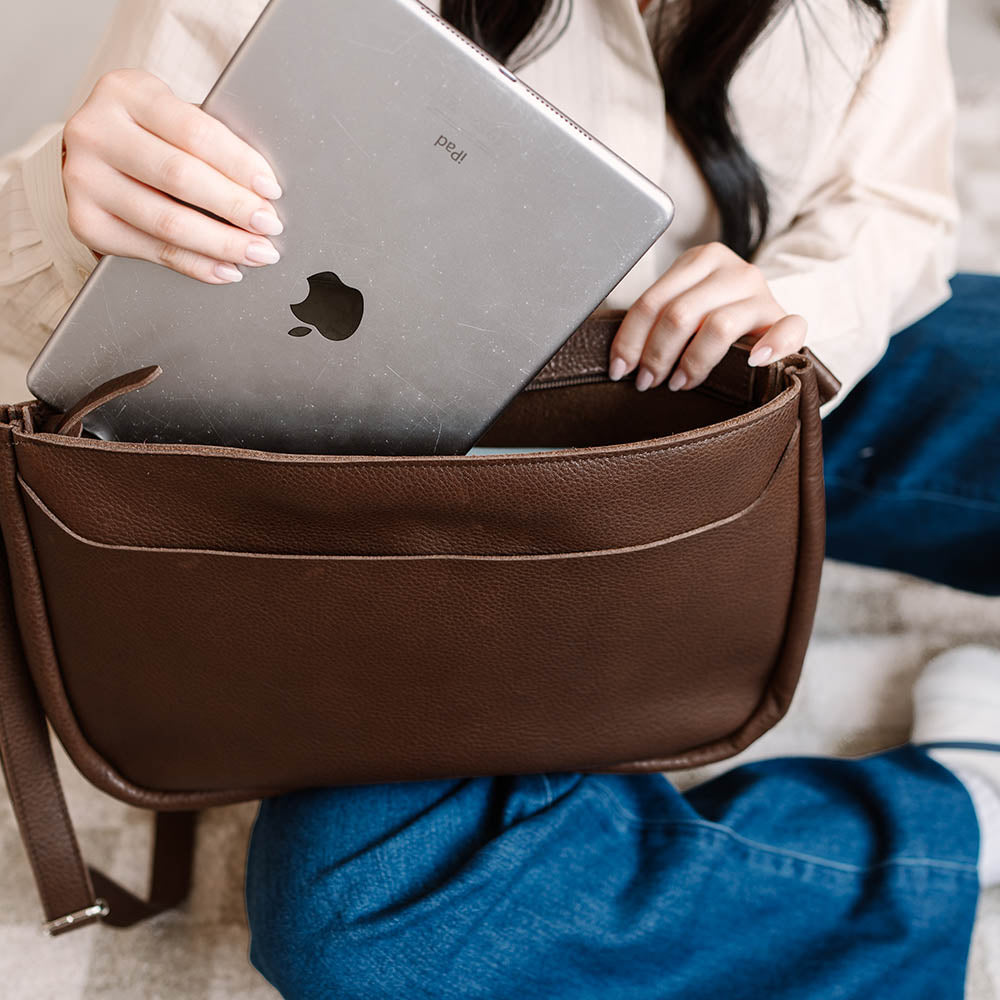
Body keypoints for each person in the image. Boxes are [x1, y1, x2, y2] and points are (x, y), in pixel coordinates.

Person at [0, 0, 997, 996]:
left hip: (715, 387)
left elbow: (891, 204)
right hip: (386, 513)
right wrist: (72, 200)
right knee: (371, 919)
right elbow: (84, 387)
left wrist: (796, 309)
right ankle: (962, 810)